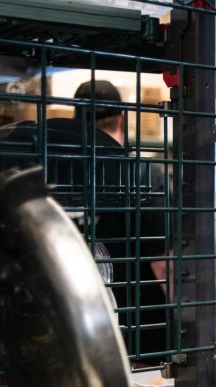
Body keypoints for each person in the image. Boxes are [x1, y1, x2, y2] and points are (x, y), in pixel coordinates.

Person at [73, 80, 171, 361]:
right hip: (144, 338)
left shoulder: (57, 171)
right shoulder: (143, 174)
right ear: (122, 118)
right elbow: (164, 264)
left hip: (82, 333)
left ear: (74, 119)